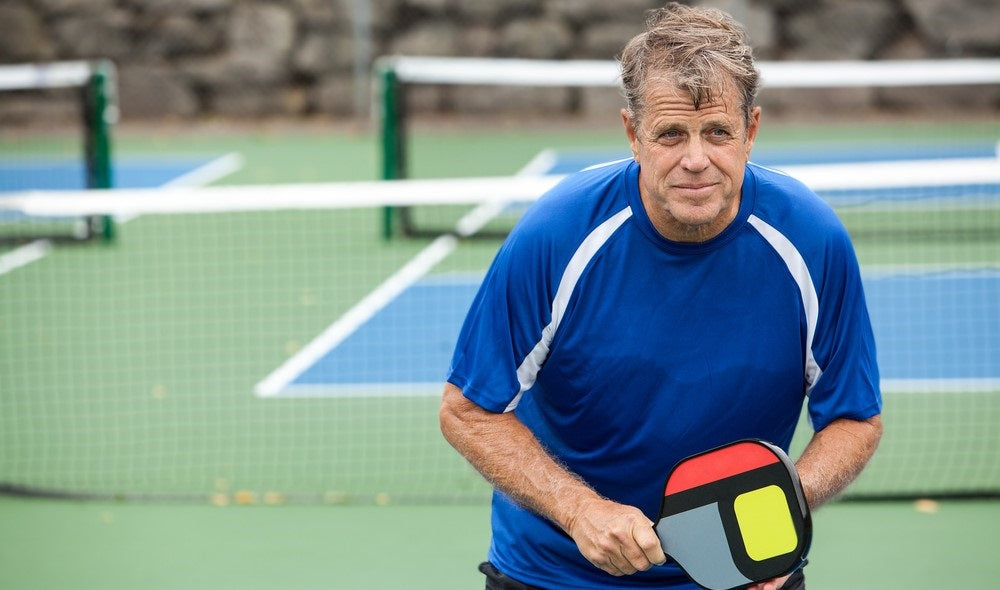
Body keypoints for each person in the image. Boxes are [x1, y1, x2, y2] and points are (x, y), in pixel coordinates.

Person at [439, 3, 883, 589]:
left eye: (717, 133)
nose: (695, 160)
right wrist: (581, 512)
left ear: (750, 132)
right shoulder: (555, 236)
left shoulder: (812, 241)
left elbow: (854, 418)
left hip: (740, 579)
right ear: (632, 133)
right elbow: (467, 410)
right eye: (671, 134)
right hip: (555, 576)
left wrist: (778, 515)